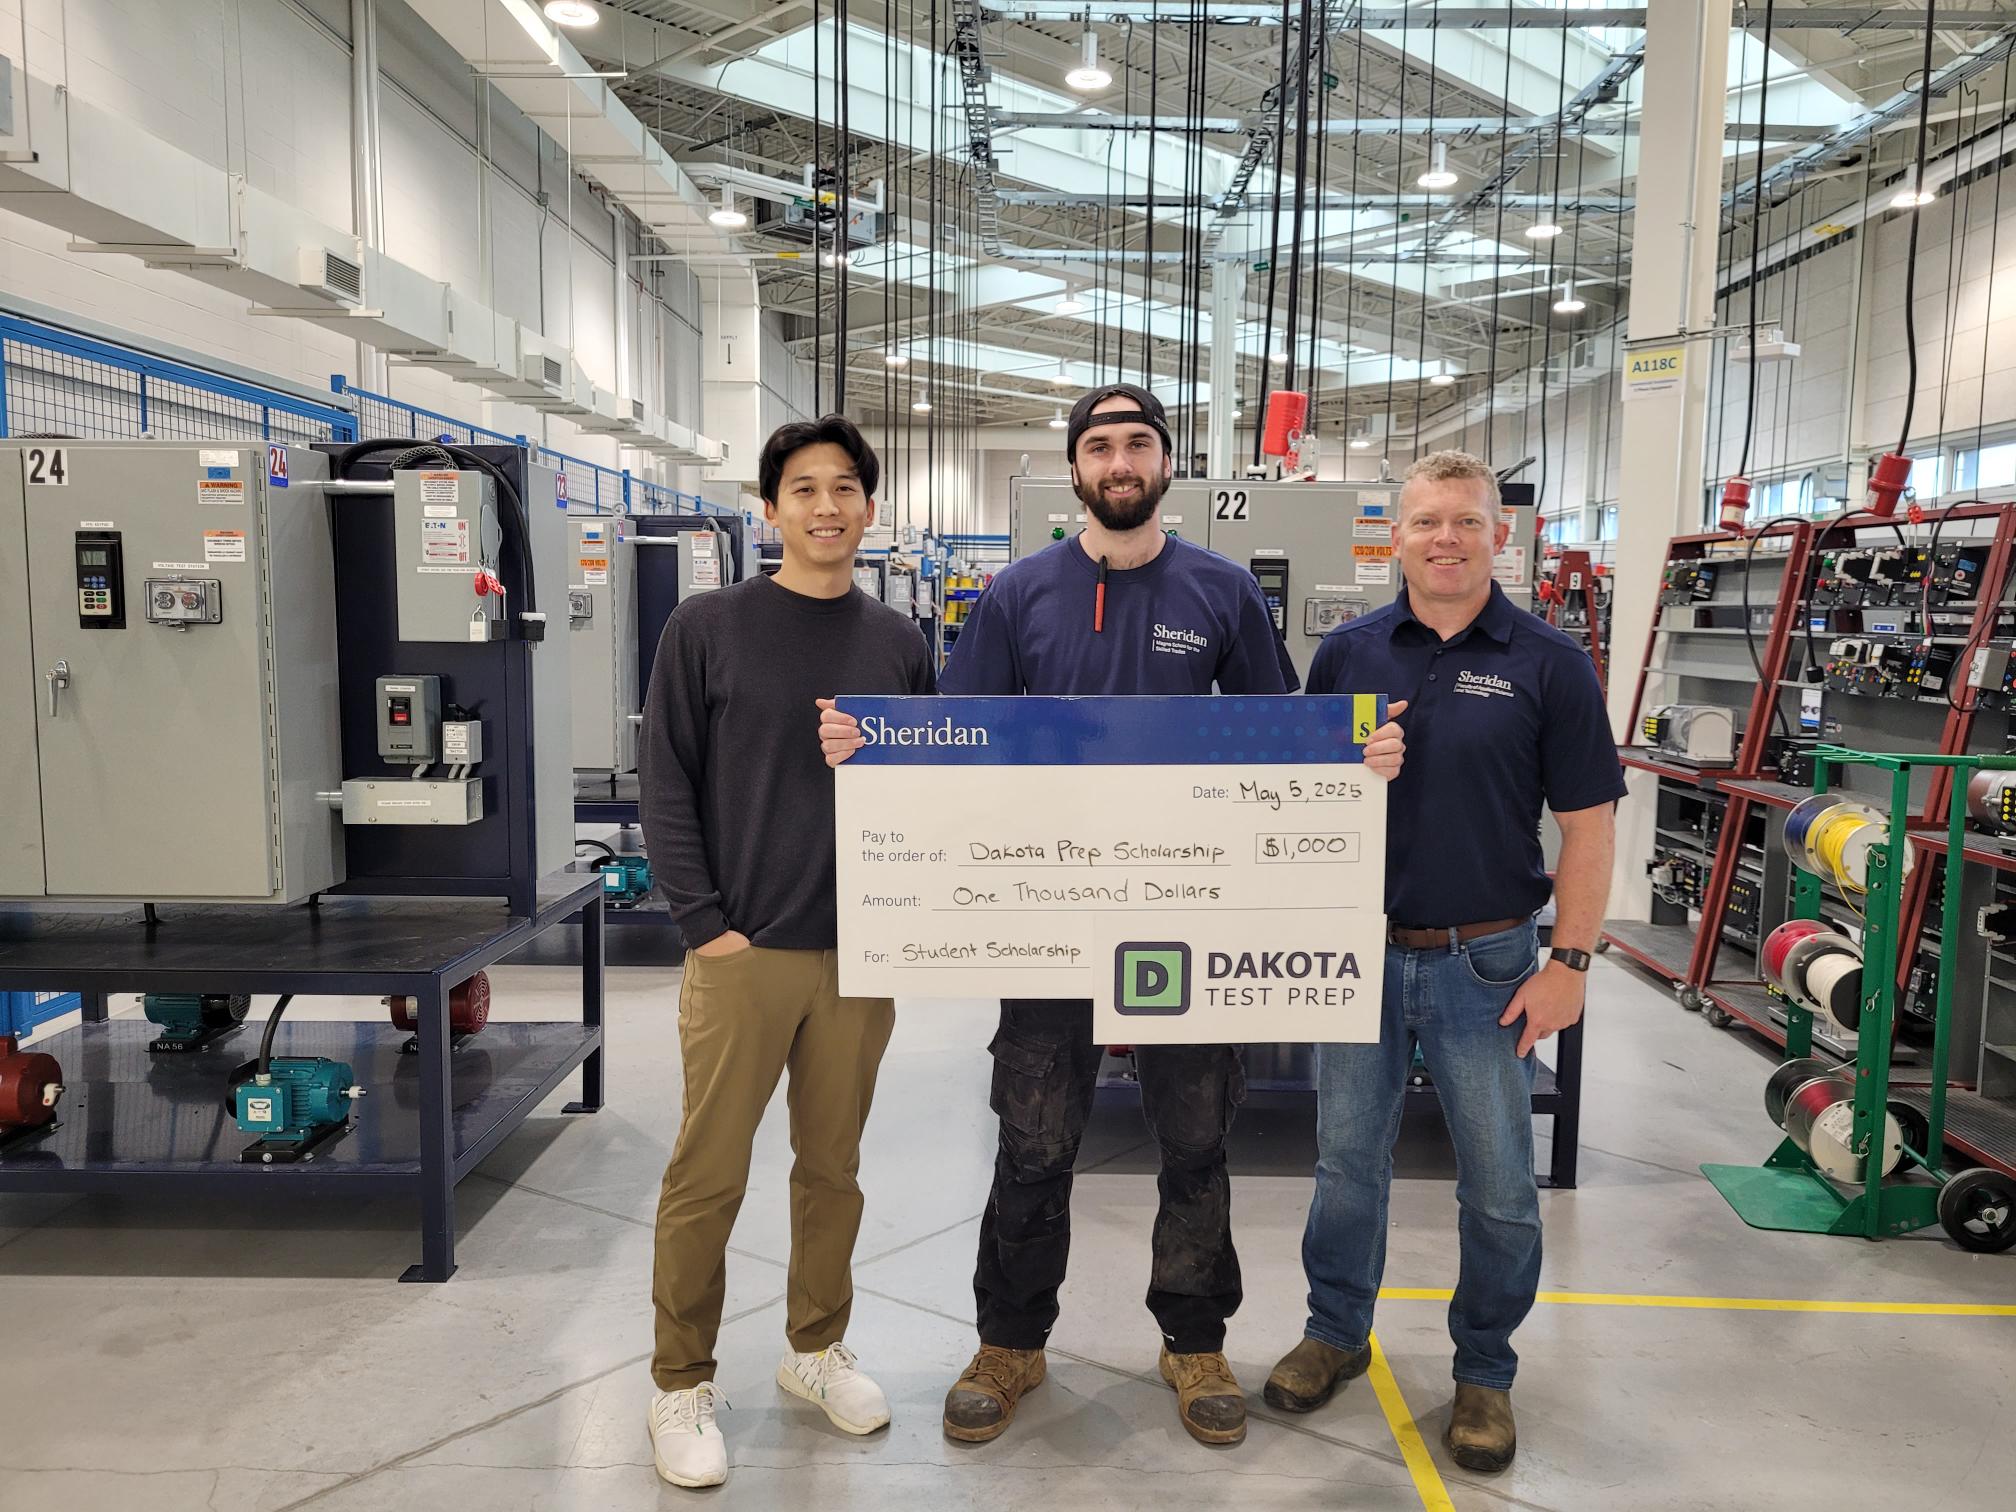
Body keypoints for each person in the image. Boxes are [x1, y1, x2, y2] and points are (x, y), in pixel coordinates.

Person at [819, 384, 1405, 1449]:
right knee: (1034, 1138)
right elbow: (961, 739)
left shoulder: (1223, 592)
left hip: (1185, 921)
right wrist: (877, 756)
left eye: (1138, 443)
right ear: (1078, 467)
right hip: (1049, 917)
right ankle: (1011, 1339)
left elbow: (1282, 736)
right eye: (1100, 445)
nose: (1120, 460)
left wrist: (1352, 759)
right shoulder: (1019, 595)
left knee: (1194, 1137)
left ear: (1165, 464)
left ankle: (1193, 1339)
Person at [1265, 449, 1622, 1473]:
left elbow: (1588, 830)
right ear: (1397, 535)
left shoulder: (1550, 661)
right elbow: (1294, 795)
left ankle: (1485, 1373)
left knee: (1502, 1185)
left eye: (1466, 521)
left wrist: (1572, 963)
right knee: (1344, 1169)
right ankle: (1334, 1334)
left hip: (1492, 965)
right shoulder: (1348, 653)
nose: (1446, 539)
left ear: (1498, 534)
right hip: (1358, 957)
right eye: (1426, 522)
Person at [639, 415, 936, 1490]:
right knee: (707, 1174)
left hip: (861, 955)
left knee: (833, 1171)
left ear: (869, 508)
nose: (825, 506)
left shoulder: (899, 643)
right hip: (745, 949)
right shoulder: (707, 627)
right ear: (770, 510)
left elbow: (937, 789)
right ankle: (680, 1382)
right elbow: (665, 781)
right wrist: (702, 925)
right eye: (803, 488)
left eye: (845, 487)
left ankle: (814, 1350)